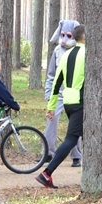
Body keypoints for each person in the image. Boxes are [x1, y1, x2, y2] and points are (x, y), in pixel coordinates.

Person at [37, 24, 86, 189]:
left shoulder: (65, 56)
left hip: (68, 102)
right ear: (84, 36)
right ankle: (47, 173)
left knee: (85, 134)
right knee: (71, 139)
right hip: (81, 101)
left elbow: (56, 83)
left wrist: (51, 107)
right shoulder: (87, 54)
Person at [44, 19, 83, 168]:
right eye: (62, 35)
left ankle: (76, 156)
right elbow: (51, 74)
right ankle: (47, 152)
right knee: (51, 122)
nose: (65, 39)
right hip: (58, 94)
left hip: (74, 94)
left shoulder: (80, 50)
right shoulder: (57, 51)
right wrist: (49, 93)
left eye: (69, 35)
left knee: (75, 126)